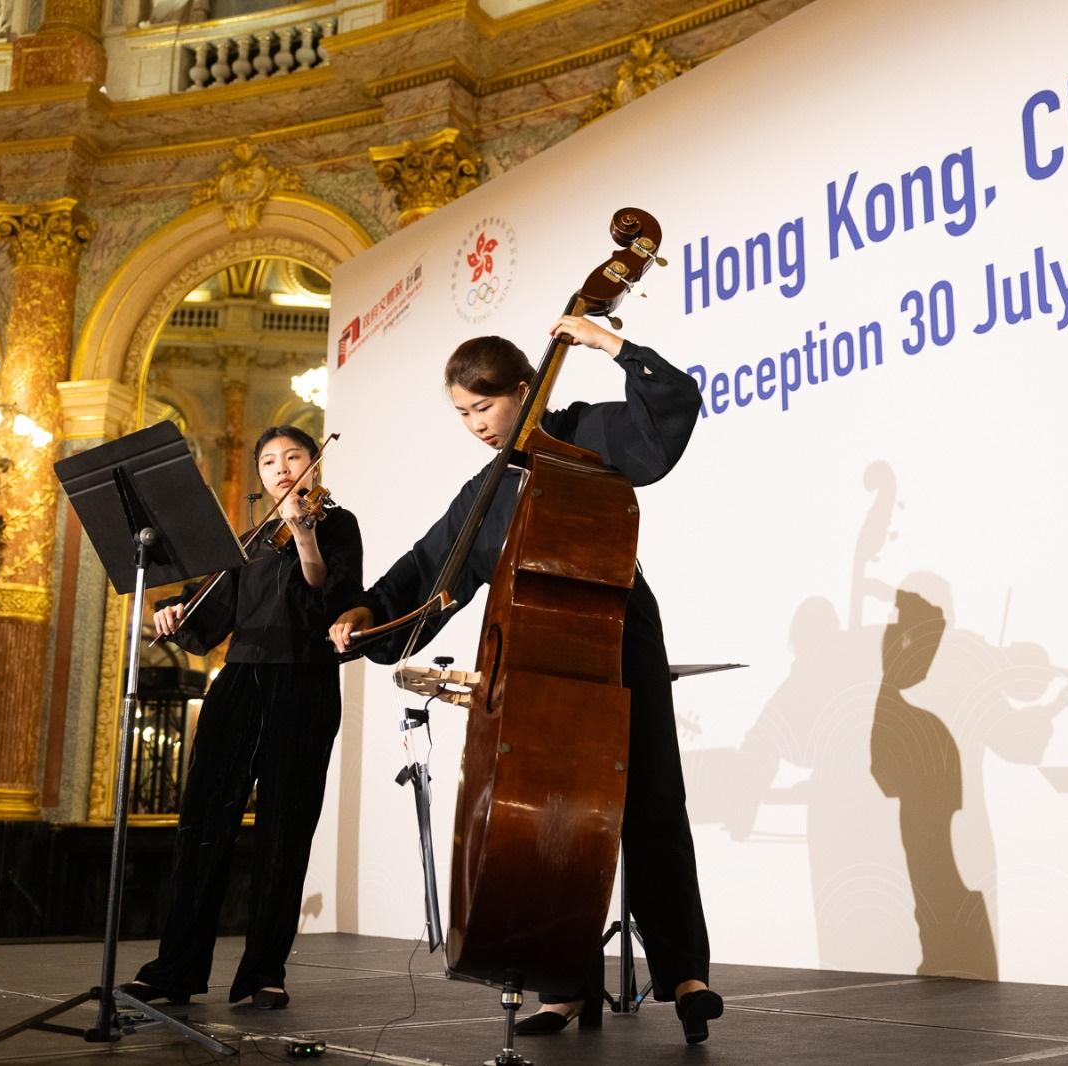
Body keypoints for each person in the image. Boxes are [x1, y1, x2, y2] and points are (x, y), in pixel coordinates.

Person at [329, 315, 722, 1044]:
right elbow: (430, 572)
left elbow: (668, 416)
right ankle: (566, 986)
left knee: (653, 802)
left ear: (524, 388)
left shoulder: (582, 435)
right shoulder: (485, 489)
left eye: (484, 407)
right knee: (552, 823)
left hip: (616, 631)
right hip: (537, 670)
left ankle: (687, 972)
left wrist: (613, 346)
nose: (475, 425)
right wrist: (368, 615)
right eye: (462, 414)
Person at [126, 426, 362, 1010]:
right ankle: (175, 969)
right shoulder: (248, 539)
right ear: (259, 474)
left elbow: (329, 598)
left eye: (294, 457)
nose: (281, 468)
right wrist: (176, 612)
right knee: (203, 825)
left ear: (314, 464)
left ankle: (263, 972)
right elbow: (211, 615)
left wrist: (305, 536)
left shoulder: (338, 524)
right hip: (238, 682)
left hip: (303, 683)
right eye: (269, 461)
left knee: (285, 830)